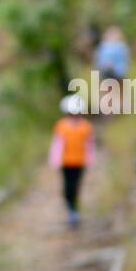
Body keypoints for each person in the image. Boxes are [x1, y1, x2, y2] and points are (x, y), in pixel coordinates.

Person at [49, 94, 95, 229]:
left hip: (79, 162)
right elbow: (57, 144)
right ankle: (71, 209)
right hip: (66, 162)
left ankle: (74, 210)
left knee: (76, 186)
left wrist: (90, 160)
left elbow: (90, 145)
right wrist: (55, 160)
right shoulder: (61, 126)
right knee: (68, 187)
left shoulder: (86, 127)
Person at [94, 26, 129, 115]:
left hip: (118, 72)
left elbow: (124, 60)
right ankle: (108, 108)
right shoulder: (103, 47)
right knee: (108, 89)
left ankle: (120, 107)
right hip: (106, 72)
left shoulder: (121, 47)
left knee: (119, 89)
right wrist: (103, 66)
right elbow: (99, 59)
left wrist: (117, 67)